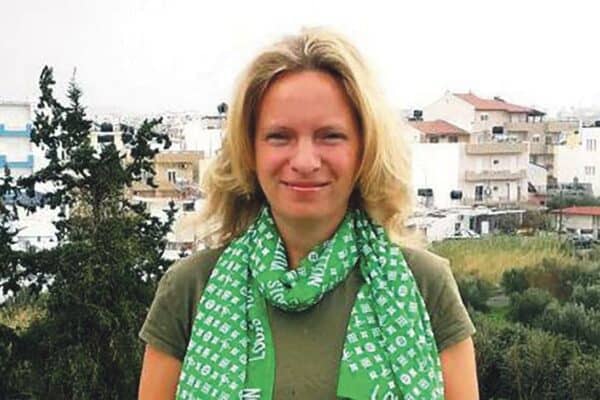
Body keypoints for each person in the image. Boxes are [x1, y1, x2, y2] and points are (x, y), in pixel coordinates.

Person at [138, 27, 478, 400]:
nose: (304, 161)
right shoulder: (190, 289)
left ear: (364, 149)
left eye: (330, 136)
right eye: (279, 136)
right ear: (250, 151)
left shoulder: (423, 286)